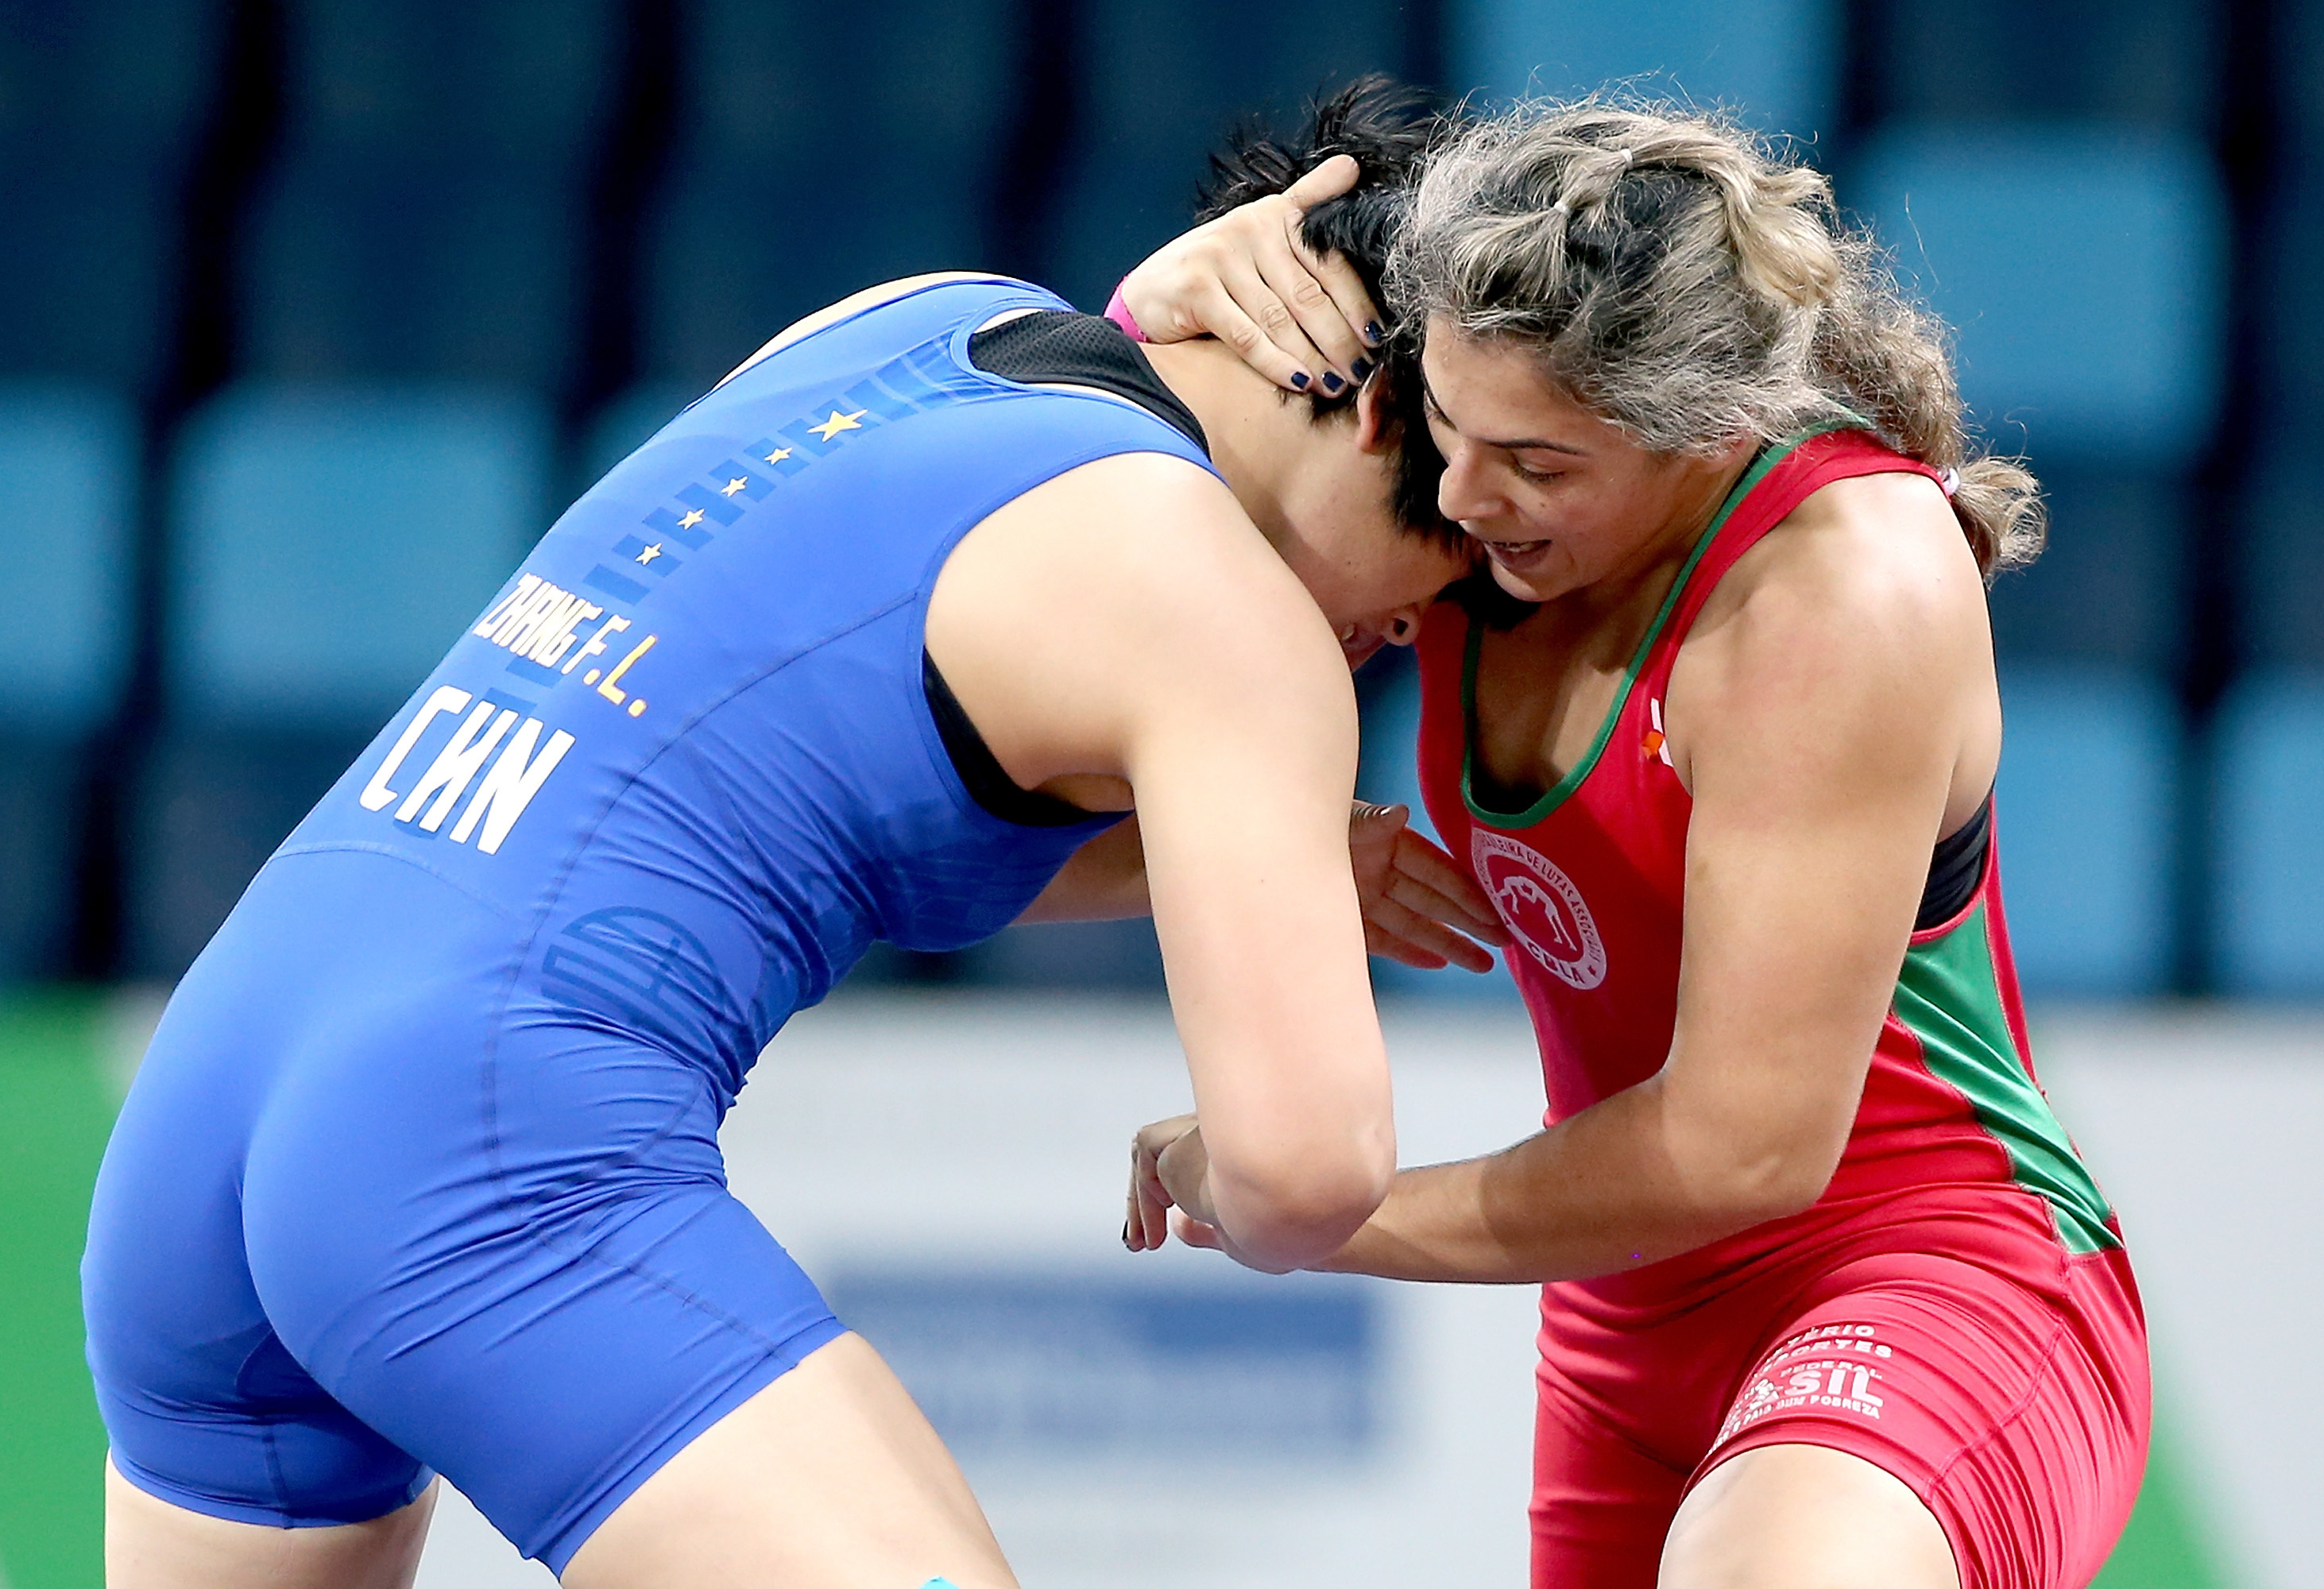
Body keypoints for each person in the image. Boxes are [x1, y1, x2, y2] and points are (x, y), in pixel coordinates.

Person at [83, 86, 1501, 1589]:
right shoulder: (1225, 614)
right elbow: (1304, 1177)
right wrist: (1213, 1157)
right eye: (1461, 543)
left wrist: (1247, 861)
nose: (1426, 619)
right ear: (1380, 399)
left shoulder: (917, 314)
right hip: (475, 1139)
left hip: (215, 1086)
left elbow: (830, 769)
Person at [1120, 97, 2152, 1589]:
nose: (1466, 503)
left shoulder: (1839, 585)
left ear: (1707, 430)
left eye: (1537, 465)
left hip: (1930, 1277)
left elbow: (1743, 1147)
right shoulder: (1494, 540)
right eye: (1452, 432)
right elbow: (1110, 555)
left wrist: (1319, 1213)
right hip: (1623, 1337)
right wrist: (1149, 311)